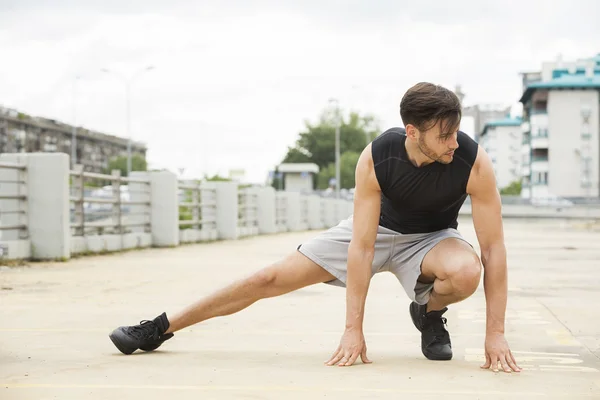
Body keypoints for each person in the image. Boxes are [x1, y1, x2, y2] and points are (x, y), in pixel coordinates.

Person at [109, 82, 521, 373]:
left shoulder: (473, 161)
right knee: (268, 278)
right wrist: (352, 331)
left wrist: (496, 334)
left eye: (456, 131)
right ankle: (159, 328)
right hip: (375, 231)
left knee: (467, 271)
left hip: (432, 240)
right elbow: (361, 247)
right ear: (413, 132)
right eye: (444, 134)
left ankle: (428, 314)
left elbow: (494, 249)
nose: (454, 141)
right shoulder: (377, 157)